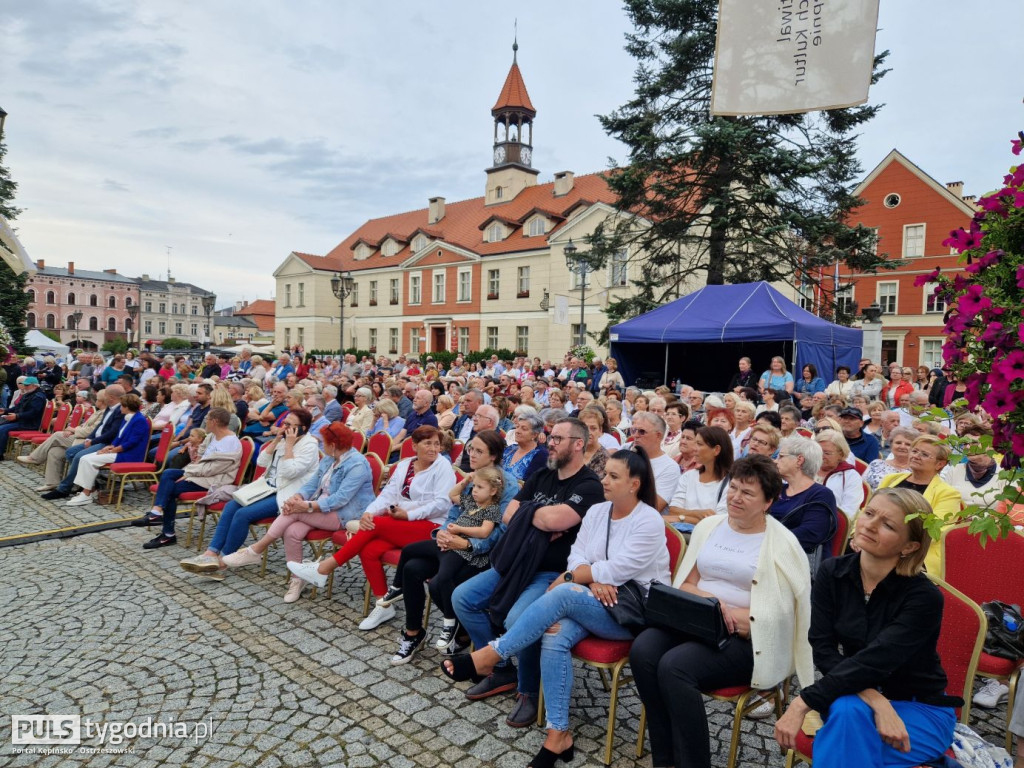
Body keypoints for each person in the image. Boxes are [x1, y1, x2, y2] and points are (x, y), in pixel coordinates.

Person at [442, 448, 670, 766]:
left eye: (613, 476)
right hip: (592, 597)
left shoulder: (648, 521)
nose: (604, 480)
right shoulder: (598, 512)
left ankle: (492, 654)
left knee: (562, 594)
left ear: (634, 484)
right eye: (605, 473)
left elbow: (618, 570)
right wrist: (586, 575)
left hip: (629, 612)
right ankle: (558, 736)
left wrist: (577, 576)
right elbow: (577, 554)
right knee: (554, 633)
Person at [632, 455, 814, 768]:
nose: (736, 497)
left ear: (768, 501)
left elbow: (783, 614)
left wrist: (735, 616)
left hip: (747, 639)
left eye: (748, 493)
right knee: (643, 650)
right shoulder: (709, 526)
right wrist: (715, 606)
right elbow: (685, 584)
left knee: (675, 667)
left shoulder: (782, 544)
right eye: (734, 488)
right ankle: (665, 756)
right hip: (698, 620)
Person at [774, 488, 960, 768]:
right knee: (848, 713)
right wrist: (876, 699)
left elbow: (877, 659)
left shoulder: (923, 597)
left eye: (887, 525)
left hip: (920, 707)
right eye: (870, 513)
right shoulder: (832, 573)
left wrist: (802, 703)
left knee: (844, 736)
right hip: (853, 697)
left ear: (909, 546)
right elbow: (822, 648)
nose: (870, 525)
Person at [447, 418, 605, 727]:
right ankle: (503, 668)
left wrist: (531, 514)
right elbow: (508, 515)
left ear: (578, 444)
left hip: (551, 572)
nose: (551, 443)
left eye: (558, 438)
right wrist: (539, 520)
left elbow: (557, 520)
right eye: (551, 437)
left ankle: (529, 691)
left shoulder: (588, 485)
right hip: (517, 562)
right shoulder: (541, 475)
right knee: (463, 597)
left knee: (519, 618)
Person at [287, 426, 456, 629]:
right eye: (427, 443)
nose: (433, 448)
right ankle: (383, 604)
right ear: (414, 446)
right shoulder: (405, 465)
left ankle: (324, 568)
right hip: (401, 523)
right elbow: (387, 495)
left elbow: (442, 503)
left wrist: (408, 513)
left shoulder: (442, 466)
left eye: (437, 443)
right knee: (368, 550)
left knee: (375, 525)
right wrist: (370, 512)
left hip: (430, 527)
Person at [382, 431, 518, 660]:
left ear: (493, 456)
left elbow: (500, 532)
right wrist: (443, 534)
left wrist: (466, 543)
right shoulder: (472, 478)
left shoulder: (506, 484)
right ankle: (413, 632)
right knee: (412, 568)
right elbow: (453, 511)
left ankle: (461, 630)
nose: (471, 454)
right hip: (454, 543)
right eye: (470, 449)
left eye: (478, 451)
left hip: (482, 554)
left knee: (438, 583)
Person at [218, 421, 373, 600]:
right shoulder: (330, 459)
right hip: (320, 509)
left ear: (333, 445)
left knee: (295, 511)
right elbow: (313, 484)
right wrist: (298, 496)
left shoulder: (357, 465)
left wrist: (306, 506)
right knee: (291, 531)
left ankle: (255, 550)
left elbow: (341, 499)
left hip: (346, 513)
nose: (321, 444)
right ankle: (298, 579)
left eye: (324, 442)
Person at [180, 408, 321, 588]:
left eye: (289, 425)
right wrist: (277, 439)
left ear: (303, 428)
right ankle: (210, 553)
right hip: (267, 487)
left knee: (243, 515)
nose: (284, 427)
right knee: (232, 506)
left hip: (288, 494)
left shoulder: (309, 445)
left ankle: (223, 562)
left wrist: (288, 446)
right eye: (284, 423)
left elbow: (289, 471)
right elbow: (261, 462)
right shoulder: (283, 439)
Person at [134, 407, 243, 550]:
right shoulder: (212, 436)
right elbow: (200, 459)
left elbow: (214, 469)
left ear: (215, 422)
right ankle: (156, 512)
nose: (205, 423)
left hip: (214, 480)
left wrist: (188, 474)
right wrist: (189, 471)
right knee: (168, 473)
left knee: (171, 490)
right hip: (200, 473)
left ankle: (167, 534)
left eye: (207, 420)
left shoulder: (230, 442)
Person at [877, 435, 961, 574]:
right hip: (878, 540)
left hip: (916, 553)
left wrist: (894, 543)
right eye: (915, 451)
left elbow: (934, 532)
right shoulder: (890, 479)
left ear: (940, 464)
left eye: (924, 454)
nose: (916, 456)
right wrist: (857, 534)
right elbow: (868, 510)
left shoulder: (948, 493)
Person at [62, 394, 151, 506]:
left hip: (129, 454)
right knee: (84, 458)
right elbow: (119, 437)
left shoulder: (139, 420)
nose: (120, 408)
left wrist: (113, 450)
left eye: (122, 406)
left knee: (88, 460)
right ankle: (90, 491)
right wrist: (109, 447)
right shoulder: (127, 418)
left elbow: (132, 442)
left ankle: (86, 494)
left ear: (127, 407)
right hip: (120, 451)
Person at [772, 436, 839, 557]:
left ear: (799, 460)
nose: (776, 461)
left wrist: (765, 538)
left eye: (781, 456)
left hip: (796, 561)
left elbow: (810, 534)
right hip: (766, 554)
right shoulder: (778, 489)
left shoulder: (821, 495)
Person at [666, 424, 733, 534]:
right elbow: (673, 509)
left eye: (699, 444)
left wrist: (681, 517)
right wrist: (698, 514)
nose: (694, 448)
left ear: (716, 450)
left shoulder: (731, 483)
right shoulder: (689, 476)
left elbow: (718, 521)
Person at [629, 411, 681, 511]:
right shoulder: (626, 454)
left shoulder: (670, 467)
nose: (635, 435)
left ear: (658, 436)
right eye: (633, 430)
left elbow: (654, 506)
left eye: (642, 432)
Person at [815, 431, 865, 520]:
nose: (821, 456)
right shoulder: (806, 468)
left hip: (828, 524)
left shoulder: (851, 477)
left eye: (827, 453)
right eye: (818, 451)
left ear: (841, 454)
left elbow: (848, 513)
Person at [864, 426, 918, 490]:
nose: (902, 446)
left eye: (908, 444)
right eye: (898, 443)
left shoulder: (916, 470)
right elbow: (862, 487)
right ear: (891, 444)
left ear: (914, 448)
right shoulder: (876, 464)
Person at [502, 413, 548, 483]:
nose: (517, 431)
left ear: (535, 434)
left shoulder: (541, 455)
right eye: (517, 427)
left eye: (524, 429)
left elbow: (531, 485)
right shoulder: (510, 449)